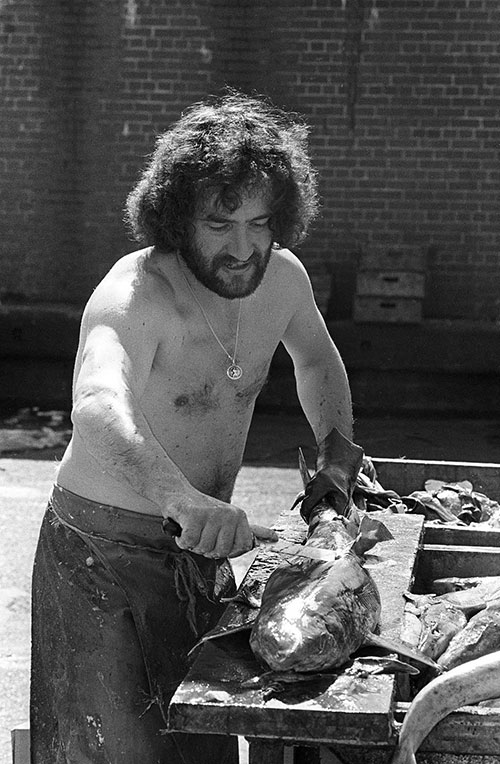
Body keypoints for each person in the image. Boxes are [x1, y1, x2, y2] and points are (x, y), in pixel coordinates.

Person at [30, 91, 354, 763]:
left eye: (261, 224)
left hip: (202, 554)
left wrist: (334, 450)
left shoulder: (284, 280)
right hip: (102, 555)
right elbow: (95, 401)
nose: (244, 249)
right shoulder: (136, 292)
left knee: (200, 744)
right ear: (177, 218)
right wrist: (179, 496)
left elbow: (318, 360)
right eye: (219, 223)